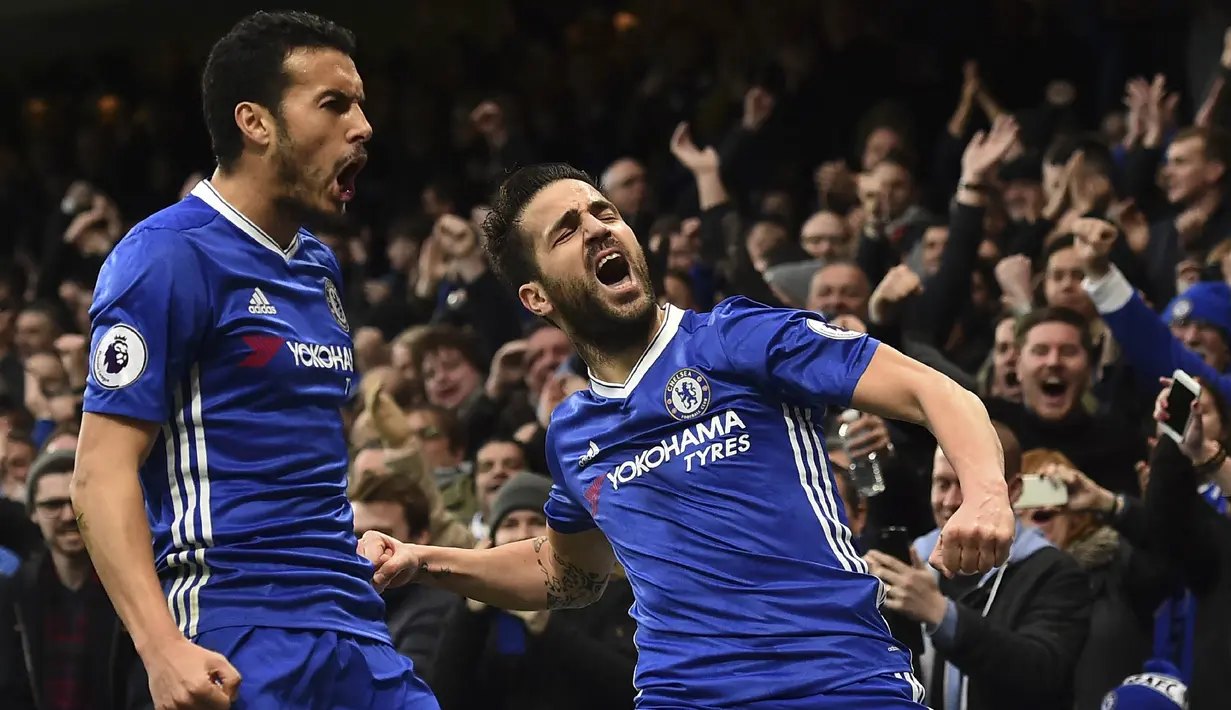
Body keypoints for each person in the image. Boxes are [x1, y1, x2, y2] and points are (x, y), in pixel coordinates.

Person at [361, 163, 1017, 709]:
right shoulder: (573, 431)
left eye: (604, 214)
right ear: (536, 297)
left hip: (834, 686)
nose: (597, 228)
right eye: (567, 229)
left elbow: (934, 392)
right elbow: (566, 574)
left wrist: (986, 493)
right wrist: (425, 562)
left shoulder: (739, 339)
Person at [70, 11, 437, 710]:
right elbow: (96, 475)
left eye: (360, 104)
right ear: (255, 122)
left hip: (352, 625)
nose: (362, 126)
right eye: (334, 104)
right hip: (233, 626)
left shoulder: (320, 265)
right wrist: (161, 647)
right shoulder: (167, 255)